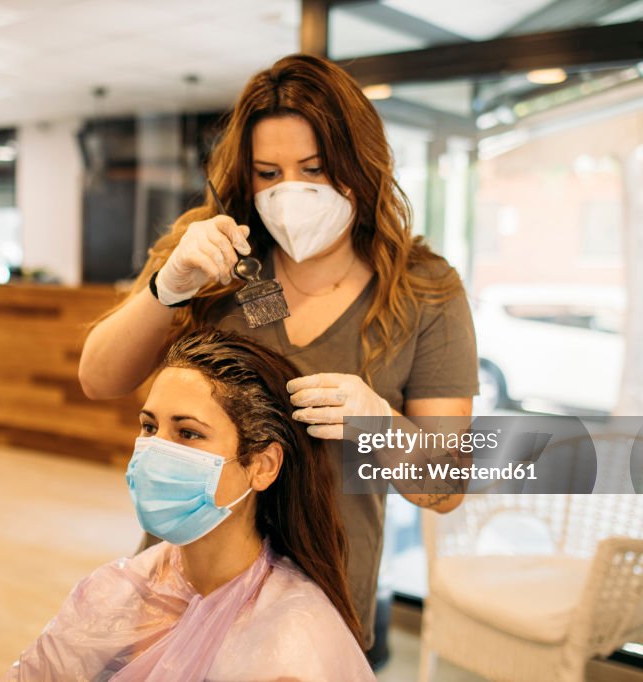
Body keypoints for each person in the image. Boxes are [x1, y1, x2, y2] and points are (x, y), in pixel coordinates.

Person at [79, 53, 479, 652]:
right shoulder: (215, 255)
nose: (290, 193)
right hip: (182, 590)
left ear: (360, 167)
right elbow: (98, 377)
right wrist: (171, 286)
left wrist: (381, 427)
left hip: (319, 607)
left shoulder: (424, 291)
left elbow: (446, 486)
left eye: (315, 169)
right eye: (268, 174)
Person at [4, 329, 375, 681]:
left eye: (188, 433)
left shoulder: (296, 638)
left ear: (262, 466)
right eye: (150, 428)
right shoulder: (118, 590)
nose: (156, 451)